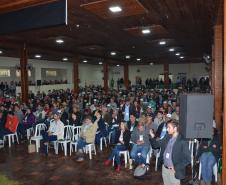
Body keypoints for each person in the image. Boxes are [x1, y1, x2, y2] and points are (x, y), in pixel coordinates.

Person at [150, 119, 190, 185]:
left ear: (175, 128)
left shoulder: (182, 141)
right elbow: (156, 145)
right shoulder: (167, 136)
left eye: (169, 127)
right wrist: (152, 137)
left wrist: (176, 167)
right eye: (167, 127)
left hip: (174, 171)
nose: (167, 129)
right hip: (165, 168)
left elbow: (187, 158)